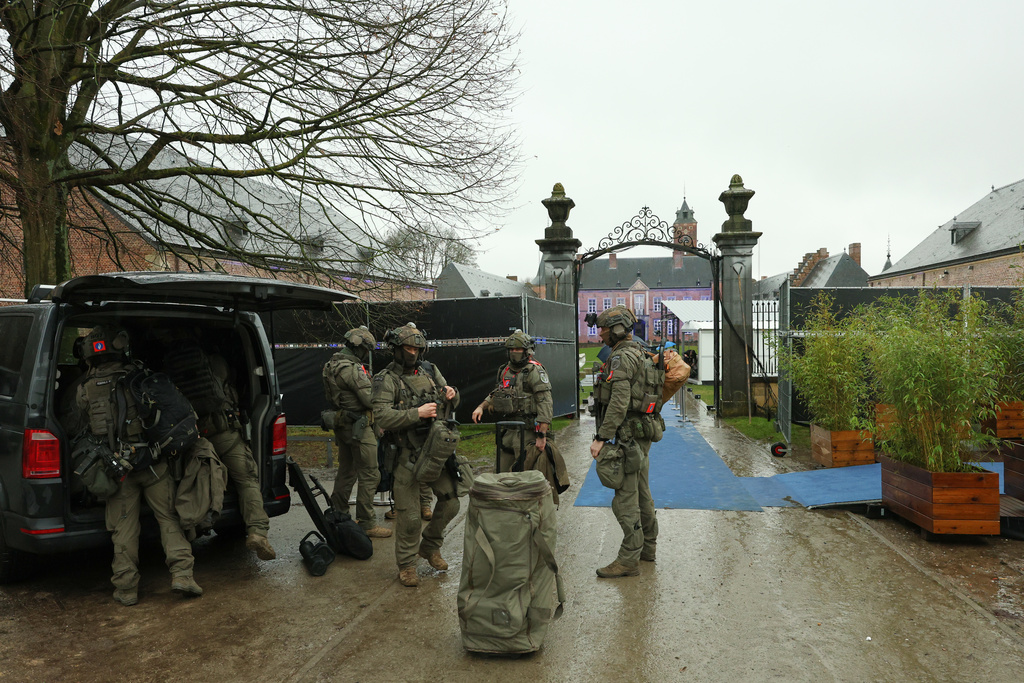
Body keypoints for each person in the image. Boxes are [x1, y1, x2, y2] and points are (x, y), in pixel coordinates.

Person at [74, 325, 202, 605]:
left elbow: (79, 425)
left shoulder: (84, 389)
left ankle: (126, 588)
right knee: (169, 518)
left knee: (122, 529)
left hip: (117, 471)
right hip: (152, 463)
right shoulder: (139, 376)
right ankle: (183, 575)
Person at [159, 330, 275, 561]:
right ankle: (257, 532)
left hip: (193, 438)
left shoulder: (168, 368)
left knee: (197, 486)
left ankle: (191, 533)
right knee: (246, 480)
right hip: (224, 433)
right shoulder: (215, 362)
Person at [372, 323, 460, 588]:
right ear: (397, 349)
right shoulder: (385, 379)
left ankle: (430, 546)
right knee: (409, 517)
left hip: (434, 452)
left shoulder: (430, 371)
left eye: (417, 348)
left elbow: (449, 398)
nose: (413, 353)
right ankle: (407, 565)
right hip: (405, 456)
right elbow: (382, 415)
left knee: (452, 502)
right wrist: (416, 413)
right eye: (408, 348)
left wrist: (453, 395)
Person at [590, 305, 659, 578]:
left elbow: (618, 403)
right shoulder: (640, 351)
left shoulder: (620, 358)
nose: (601, 336)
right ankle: (648, 548)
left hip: (627, 436)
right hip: (642, 434)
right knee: (642, 493)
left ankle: (628, 559)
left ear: (618, 329)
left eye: (604, 330)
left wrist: (601, 438)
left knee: (625, 498)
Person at [472, 330, 569, 502]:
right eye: (511, 350)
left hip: (528, 433)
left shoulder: (534, 371)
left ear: (527, 351)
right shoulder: (504, 371)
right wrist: (481, 406)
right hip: (507, 431)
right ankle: (507, 512)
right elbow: (497, 392)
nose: (514, 353)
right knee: (501, 476)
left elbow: (545, 403)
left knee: (526, 478)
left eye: (518, 349)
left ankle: (532, 515)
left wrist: (542, 434)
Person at [322, 326, 392, 539]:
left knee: (347, 471)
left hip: (343, 425)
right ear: (360, 348)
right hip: (359, 427)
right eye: (366, 350)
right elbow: (369, 399)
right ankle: (367, 522)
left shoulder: (330, 365)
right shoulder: (352, 369)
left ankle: (339, 513)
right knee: (370, 473)